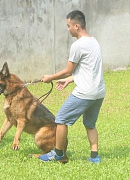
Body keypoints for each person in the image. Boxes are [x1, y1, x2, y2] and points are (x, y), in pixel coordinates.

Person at [39, 10, 106, 163]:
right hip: (99, 92)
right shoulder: (94, 41)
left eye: (68, 26)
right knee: (90, 124)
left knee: (61, 119)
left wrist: (50, 77)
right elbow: (89, 70)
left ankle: (58, 153)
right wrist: (71, 79)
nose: (68, 29)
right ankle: (94, 157)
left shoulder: (78, 45)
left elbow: (68, 69)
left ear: (76, 26)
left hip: (85, 93)